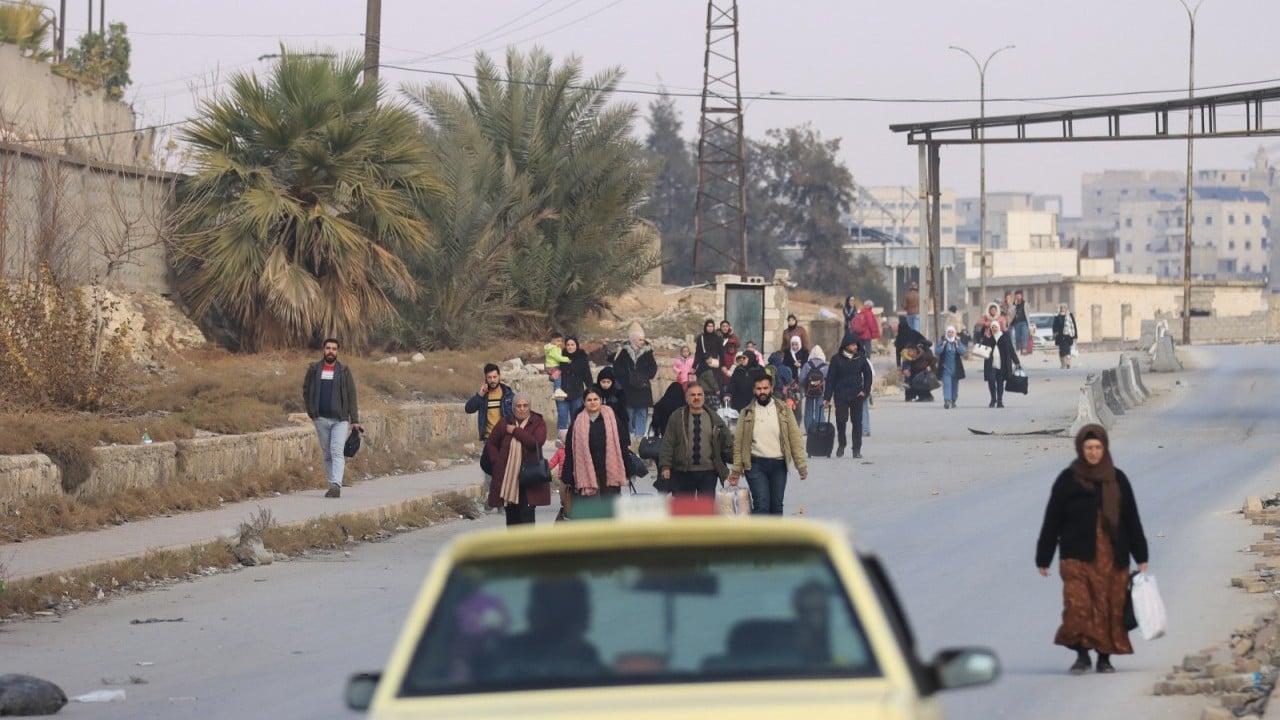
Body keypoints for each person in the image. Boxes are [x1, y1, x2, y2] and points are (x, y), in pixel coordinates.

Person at [1036, 424, 1149, 675]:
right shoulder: (1068, 480)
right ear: (1081, 448)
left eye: (1098, 447)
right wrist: (1044, 557)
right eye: (1089, 448)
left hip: (1112, 558)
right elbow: (1052, 520)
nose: (1093, 452)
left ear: (1104, 448)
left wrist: (1141, 555)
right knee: (1078, 607)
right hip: (1076, 557)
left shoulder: (1117, 479)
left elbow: (1131, 519)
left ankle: (1104, 659)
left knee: (1109, 609)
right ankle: (1082, 655)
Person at [479, 578, 604, 679]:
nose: (558, 627)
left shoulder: (594, 668)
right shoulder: (501, 662)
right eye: (552, 610)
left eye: (568, 614)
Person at [730, 373, 807, 515]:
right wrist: (736, 471)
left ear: (771, 388)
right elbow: (738, 443)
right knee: (762, 504)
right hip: (755, 465)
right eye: (759, 389)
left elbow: (795, 438)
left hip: (779, 465)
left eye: (765, 388)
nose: (762, 392)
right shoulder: (746, 413)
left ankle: (774, 531)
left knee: (776, 506)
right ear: (754, 390)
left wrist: (800, 465)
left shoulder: (784, 410)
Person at [302, 338, 362, 498]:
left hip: (340, 420)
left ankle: (336, 484)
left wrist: (355, 420)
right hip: (320, 419)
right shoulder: (314, 369)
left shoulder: (344, 371)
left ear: (337, 351)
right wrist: (311, 412)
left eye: (334, 349)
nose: (331, 351)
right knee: (327, 454)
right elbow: (306, 391)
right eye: (328, 348)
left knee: (336, 451)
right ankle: (332, 484)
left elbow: (351, 395)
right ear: (323, 350)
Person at [484, 392, 548, 526]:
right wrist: (497, 462)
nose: (522, 409)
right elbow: (491, 443)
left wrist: (515, 431)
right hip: (509, 479)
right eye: (518, 406)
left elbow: (535, 443)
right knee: (512, 518)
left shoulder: (537, 422)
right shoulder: (505, 422)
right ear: (513, 407)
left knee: (527, 517)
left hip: (529, 477)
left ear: (530, 406)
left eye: (525, 405)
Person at [657, 383, 732, 498]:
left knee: (706, 507)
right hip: (683, 472)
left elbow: (726, 442)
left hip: (708, 472)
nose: (696, 397)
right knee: (684, 508)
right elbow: (668, 443)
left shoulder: (714, 418)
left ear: (704, 397)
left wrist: (736, 464)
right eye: (692, 395)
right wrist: (665, 466)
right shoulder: (677, 417)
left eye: (699, 394)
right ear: (687, 398)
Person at [562, 387, 630, 499]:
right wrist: (568, 472)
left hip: (609, 469)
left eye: (595, 399)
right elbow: (570, 449)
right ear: (584, 402)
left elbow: (622, 444)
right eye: (589, 400)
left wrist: (628, 466)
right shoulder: (577, 422)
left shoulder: (612, 418)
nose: (592, 402)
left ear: (601, 400)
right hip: (586, 470)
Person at [823, 333, 873, 459]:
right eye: (852, 345)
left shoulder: (861, 358)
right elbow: (830, 379)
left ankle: (856, 449)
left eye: (856, 345)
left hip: (857, 395)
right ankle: (842, 443)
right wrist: (827, 398)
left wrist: (865, 391)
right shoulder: (836, 359)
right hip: (841, 395)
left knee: (857, 423)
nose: (855, 347)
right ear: (846, 346)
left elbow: (868, 375)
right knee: (841, 420)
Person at [612, 327, 657, 437]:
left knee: (641, 414)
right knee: (629, 413)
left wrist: (643, 376)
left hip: (642, 388)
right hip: (628, 389)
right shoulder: (624, 353)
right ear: (633, 339)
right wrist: (627, 378)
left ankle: (639, 438)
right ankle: (630, 437)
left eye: (643, 339)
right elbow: (617, 368)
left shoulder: (648, 353)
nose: (642, 342)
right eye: (640, 339)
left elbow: (653, 369)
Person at [981, 321, 1020, 408]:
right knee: (991, 380)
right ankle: (993, 398)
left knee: (1000, 382)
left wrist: (1016, 361)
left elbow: (1011, 349)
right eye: (992, 327)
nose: (994, 329)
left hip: (1003, 364)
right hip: (991, 364)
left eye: (996, 327)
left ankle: (1000, 401)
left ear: (999, 327)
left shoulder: (1005, 336)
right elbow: (983, 349)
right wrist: (986, 339)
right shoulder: (989, 337)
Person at [560, 336, 592, 431]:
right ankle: (562, 438)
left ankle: (576, 437)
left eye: (572, 345)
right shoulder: (561, 357)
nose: (570, 347)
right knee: (562, 418)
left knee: (577, 418)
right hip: (562, 394)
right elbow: (554, 372)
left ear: (576, 345)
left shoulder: (582, 358)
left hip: (577, 393)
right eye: (568, 345)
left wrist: (591, 389)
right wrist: (552, 377)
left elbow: (587, 375)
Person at [934, 326, 967, 409]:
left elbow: (962, 352)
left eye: (952, 332)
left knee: (955, 386)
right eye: (949, 332)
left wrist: (957, 345)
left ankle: (953, 400)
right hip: (945, 368)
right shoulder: (943, 341)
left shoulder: (957, 341)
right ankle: (947, 400)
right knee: (947, 385)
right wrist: (943, 346)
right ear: (946, 333)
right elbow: (937, 352)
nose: (950, 334)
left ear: (954, 333)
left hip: (956, 369)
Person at [800, 345, 828, 433]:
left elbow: (801, 378)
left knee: (808, 410)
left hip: (809, 391)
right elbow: (829, 379)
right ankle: (820, 429)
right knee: (820, 410)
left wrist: (803, 388)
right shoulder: (825, 366)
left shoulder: (807, 365)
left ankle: (809, 430)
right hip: (821, 391)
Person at [594, 366, 628, 431]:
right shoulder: (593, 393)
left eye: (608, 382)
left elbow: (623, 415)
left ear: (612, 382)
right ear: (599, 381)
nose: (606, 384)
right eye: (603, 382)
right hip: (597, 426)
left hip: (613, 426)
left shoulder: (618, 394)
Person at [1052, 303, 1078, 369]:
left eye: (1064, 307)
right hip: (1060, 335)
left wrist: (1075, 336)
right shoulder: (1057, 316)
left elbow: (1073, 325)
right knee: (1061, 350)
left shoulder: (1070, 315)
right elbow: (1054, 325)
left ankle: (1068, 363)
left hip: (1068, 335)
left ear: (1066, 308)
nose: (1063, 309)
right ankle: (1063, 364)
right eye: (1062, 308)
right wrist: (1054, 333)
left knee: (1067, 349)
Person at [1011, 290, 1030, 355]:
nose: (1018, 297)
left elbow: (1028, 311)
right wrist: (1015, 305)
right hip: (1016, 323)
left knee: (1024, 334)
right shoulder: (1013, 304)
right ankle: (1018, 348)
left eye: (1019, 295)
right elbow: (1010, 312)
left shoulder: (1025, 303)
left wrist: (1029, 322)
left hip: (1024, 322)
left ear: (1021, 296)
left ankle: (1024, 348)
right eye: (1017, 296)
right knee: (1017, 336)